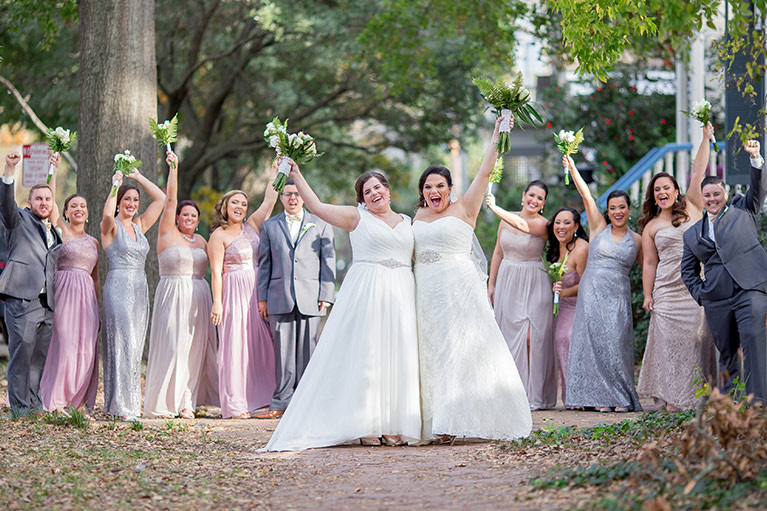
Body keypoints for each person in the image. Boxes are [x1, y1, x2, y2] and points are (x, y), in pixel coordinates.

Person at [265, 165, 420, 450]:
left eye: (378, 188)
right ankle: (368, 423)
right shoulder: (356, 216)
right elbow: (317, 206)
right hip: (368, 290)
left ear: (388, 190)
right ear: (362, 199)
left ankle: (393, 423)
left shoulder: (407, 220)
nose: (374, 193)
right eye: (367, 191)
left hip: (401, 292)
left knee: (397, 354)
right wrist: (297, 174)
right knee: (369, 356)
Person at [413, 115, 532, 442]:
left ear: (450, 189)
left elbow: (484, 168)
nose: (434, 191)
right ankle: (433, 417)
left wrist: (498, 131)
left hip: (457, 288)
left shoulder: (466, 207)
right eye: (428, 187)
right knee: (430, 351)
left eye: (440, 185)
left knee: (457, 349)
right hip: (424, 289)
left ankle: (450, 422)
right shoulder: (417, 216)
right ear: (422, 193)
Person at [637, 124, 717, 410]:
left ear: (676, 190)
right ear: (654, 195)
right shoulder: (651, 226)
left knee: (697, 340)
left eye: (666, 188)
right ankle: (671, 397)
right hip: (666, 292)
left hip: (695, 288)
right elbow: (649, 263)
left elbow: (699, 170)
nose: (662, 192)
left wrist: (705, 138)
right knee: (668, 345)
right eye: (657, 189)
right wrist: (648, 295)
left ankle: (695, 396)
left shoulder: (694, 207)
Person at [681, 138, 767, 403]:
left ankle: (757, 404)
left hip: (750, 289)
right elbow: (688, 270)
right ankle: (728, 407)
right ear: (702, 199)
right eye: (707, 195)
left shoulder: (744, 209)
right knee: (727, 352)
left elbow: (758, 189)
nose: (712, 199)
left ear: (725, 195)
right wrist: (702, 294)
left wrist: (756, 158)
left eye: (716, 194)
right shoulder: (692, 234)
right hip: (716, 298)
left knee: (752, 337)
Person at [562, 155, 643, 412]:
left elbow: (649, 266)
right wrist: (573, 168)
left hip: (617, 296)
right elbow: (586, 195)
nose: (617, 212)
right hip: (591, 292)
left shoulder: (638, 240)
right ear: (607, 211)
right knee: (592, 342)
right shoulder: (598, 226)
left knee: (616, 343)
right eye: (612, 207)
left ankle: (619, 396)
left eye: (622, 207)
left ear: (629, 209)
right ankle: (599, 399)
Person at [143, 151, 219, 418]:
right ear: (177, 218)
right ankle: (166, 401)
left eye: (193, 216)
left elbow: (220, 267)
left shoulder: (202, 242)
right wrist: (173, 169)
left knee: (195, 351)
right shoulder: (167, 234)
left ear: (198, 221)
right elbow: (170, 198)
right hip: (173, 295)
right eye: (184, 215)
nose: (188, 218)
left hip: (199, 296)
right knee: (174, 347)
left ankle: (188, 401)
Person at [255, 179, 336, 419]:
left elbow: (327, 262)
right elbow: (264, 264)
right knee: (282, 353)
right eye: (288, 194)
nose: (293, 198)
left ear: (304, 197)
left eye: (297, 194)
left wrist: (326, 295)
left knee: (308, 351)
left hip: (311, 297)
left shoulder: (320, 225)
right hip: (279, 296)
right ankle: (281, 401)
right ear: (281, 197)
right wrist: (262, 298)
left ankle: (306, 401)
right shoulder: (270, 226)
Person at [208, 172, 279, 419]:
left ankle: (264, 397)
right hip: (233, 293)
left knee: (261, 344)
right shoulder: (219, 235)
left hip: (256, 291)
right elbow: (216, 273)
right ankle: (236, 403)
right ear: (225, 207)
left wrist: (275, 173)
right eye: (235, 202)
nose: (239, 207)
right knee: (235, 346)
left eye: (244, 204)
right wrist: (217, 302)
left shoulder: (253, 226)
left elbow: (270, 201)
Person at [101, 166, 166, 420]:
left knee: (134, 346)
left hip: (139, 290)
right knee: (122, 343)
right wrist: (115, 185)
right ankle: (120, 406)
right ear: (119, 203)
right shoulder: (111, 226)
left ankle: (128, 405)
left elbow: (160, 198)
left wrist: (138, 177)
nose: (132, 203)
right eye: (127, 199)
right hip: (118, 288)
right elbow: (107, 214)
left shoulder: (140, 225)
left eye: (135, 200)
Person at [485, 183, 557, 410]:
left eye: (540, 198)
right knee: (508, 335)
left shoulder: (543, 224)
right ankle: (510, 392)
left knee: (531, 337)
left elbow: (523, 225)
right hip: (508, 278)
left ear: (544, 203)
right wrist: (492, 283)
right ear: (524, 195)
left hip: (533, 280)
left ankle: (534, 395)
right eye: (532, 195)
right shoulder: (506, 218)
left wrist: (495, 208)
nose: (534, 200)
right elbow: (498, 251)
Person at [0, 152, 62, 412]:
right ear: (29, 202)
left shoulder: (53, 229)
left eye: (48, 199)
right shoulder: (19, 220)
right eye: (39, 198)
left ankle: (35, 407)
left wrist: (53, 169)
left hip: (46, 302)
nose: (44, 202)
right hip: (22, 299)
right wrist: (9, 168)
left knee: (39, 358)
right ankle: (19, 408)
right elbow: (5, 202)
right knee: (21, 356)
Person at [39, 189, 100, 414]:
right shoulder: (61, 231)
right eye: (73, 206)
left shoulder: (94, 242)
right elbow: (51, 198)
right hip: (64, 293)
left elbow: (95, 277)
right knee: (64, 344)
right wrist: (53, 167)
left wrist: (98, 309)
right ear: (65, 212)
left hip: (87, 300)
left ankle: (76, 400)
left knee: (85, 349)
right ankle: (56, 398)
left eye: (82, 206)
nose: (78, 209)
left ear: (87, 212)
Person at [545, 208, 589, 406]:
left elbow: (588, 284)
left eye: (566, 223)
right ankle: (570, 396)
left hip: (579, 306)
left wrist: (565, 292)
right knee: (559, 340)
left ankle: (581, 394)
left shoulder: (581, 249)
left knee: (567, 338)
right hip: (560, 307)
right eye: (557, 222)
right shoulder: (556, 246)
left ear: (576, 226)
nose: (561, 227)